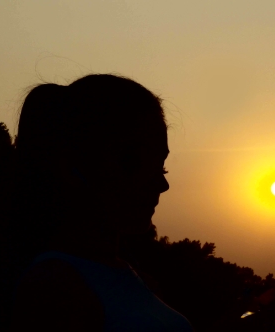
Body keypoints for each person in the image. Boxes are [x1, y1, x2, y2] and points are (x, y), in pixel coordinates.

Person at [10, 74, 194, 331]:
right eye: (136, 163)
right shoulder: (54, 288)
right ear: (73, 164)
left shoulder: (140, 280)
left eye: (161, 167)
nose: (162, 185)